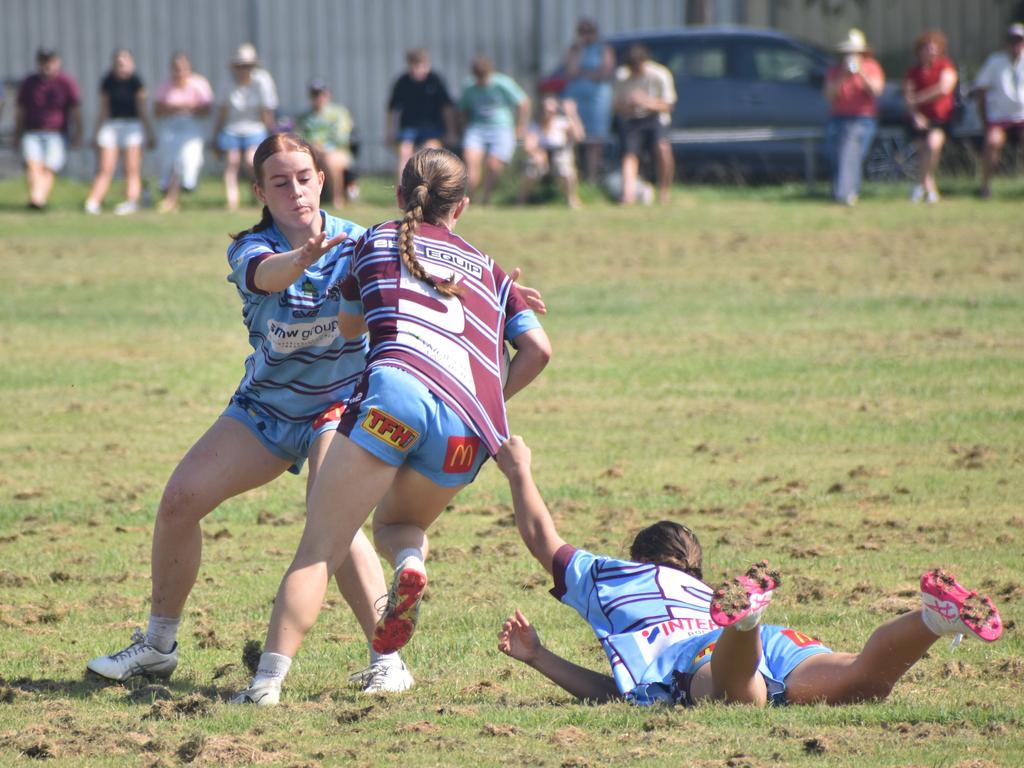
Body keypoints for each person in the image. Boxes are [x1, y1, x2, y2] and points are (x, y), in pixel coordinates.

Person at [87, 134, 413, 694]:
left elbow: (420, 278)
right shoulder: (249, 248)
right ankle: (158, 646)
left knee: (332, 515)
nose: (296, 191)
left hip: (340, 405)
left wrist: (496, 296)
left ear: (321, 179)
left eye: (304, 178)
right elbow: (269, 275)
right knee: (179, 501)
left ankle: (388, 662)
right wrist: (304, 258)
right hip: (264, 408)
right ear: (260, 190)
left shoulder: (362, 241)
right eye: (280, 182)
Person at [232, 148, 552, 705]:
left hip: (396, 398)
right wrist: (487, 397)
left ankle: (266, 685)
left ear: (402, 197)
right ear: (462, 207)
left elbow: (352, 325)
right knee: (397, 526)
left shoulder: (374, 240)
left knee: (321, 543)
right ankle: (409, 563)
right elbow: (539, 350)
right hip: (468, 429)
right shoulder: (493, 270)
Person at [494, 435, 1003, 707]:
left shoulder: (614, 577)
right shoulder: (699, 591)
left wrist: (520, 468)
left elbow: (542, 537)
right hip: (775, 642)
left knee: (742, 698)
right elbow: (619, 694)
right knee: (860, 682)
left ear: (639, 557)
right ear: (696, 567)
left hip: (705, 651)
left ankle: (744, 624)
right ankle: (934, 619)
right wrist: (539, 656)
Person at [84, 49, 154, 216]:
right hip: (112, 125)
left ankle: (131, 201)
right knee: (105, 167)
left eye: (125, 63)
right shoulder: (108, 81)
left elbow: (142, 109)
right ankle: (93, 201)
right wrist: (96, 132)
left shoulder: (136, 82)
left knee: (131, 168)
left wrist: (149, 132)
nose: (122, 67)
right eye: (119, 64)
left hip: (132, 126)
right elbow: (103, 110)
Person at [212, 43, 278, 210]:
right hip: (232, 128)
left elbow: (266, 111)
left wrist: (272, 135)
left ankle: (257, 192)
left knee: (250, 161)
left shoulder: (262, 80)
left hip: (255, 127)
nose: (244, 69)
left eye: (247, 66)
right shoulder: (227, 83)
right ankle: (232, 202)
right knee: (232, 161)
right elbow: (222, 112)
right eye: (241, 66)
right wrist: (215, 135)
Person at [14, 48, 81, 210]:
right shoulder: (29, 82)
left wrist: (78, 132)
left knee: (48, 167)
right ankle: (38, 199)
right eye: (44, 62)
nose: (47, 66)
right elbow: (20, 110)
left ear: (58, 62)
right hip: (32, 131)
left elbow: (75, 109)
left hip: (56, 133)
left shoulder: (65, 82)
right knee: (33, 166)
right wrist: (17, 132)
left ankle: (37, 198)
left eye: (51, 61)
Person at [824, 29, 885, 206]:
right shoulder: (835, 70)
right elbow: (829, 95)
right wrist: (843, 75)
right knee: (837, 154)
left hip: (862, 119)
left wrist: (861, 74)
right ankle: (846, 191)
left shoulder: (871, 67)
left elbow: (877, 91)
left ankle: (844, 193)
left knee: (849, 150)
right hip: (838, 118)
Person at [459, 56, 530, 205]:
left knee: (493, 165)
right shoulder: (469, 86)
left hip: (501, 128)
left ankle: (486, 198)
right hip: (477, 128)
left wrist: (520, 127)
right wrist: (464, 127)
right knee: (471, 165)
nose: (481, 80)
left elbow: (523, 103)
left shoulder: (502, 83)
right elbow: (462, 108)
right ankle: (468, 200)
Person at [612, 44, 676, 205]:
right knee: (629, 156)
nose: (634, 71)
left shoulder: (659, 75)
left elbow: (668, 105)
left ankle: (664, 191)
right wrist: (629, 106)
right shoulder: (622, 77)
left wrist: (646, 102)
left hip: (656, 118)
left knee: (662, 148)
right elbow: (616, 107)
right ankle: (628, 195)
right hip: (632, 119)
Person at [153, 52, 213, 213]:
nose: (179, 72)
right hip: (171, 126)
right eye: (176, 68)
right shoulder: (166, 86)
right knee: (168, 161)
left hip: (192, 127)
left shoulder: (199, 84)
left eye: (182, 68)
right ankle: (171, 198)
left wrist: (190, 108)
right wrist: (174, 108)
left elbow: (207, 109)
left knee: (185, 160)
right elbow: (157, 110)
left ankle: (172, 199)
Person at [386, 49, 457, 184]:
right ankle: (402, 191)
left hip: (432, 128)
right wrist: (389, 132)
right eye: (415, 66)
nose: (419, 70)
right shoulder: (402, 82)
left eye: (422, 66)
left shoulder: (435, 80)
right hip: (409, 127)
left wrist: (451, 131)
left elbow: (447, 107)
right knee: (404, 151)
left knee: (430, 151)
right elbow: (391, 109)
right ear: (409, 65)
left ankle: (431, 190)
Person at [903, 31, 958, 204]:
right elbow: (908, 97)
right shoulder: (913, 72)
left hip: (939, 118)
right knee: (923, 155)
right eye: (928, 49)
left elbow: (944, 88)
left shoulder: (945, 66)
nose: (932, 52)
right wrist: (916, 115)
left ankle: (920, 185)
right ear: (920, 51)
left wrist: (919, 98)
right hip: (919, 119)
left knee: (932, 146)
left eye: (935, 49)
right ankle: (929, 190)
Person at [971, 23, 1024, 199]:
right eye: (1012, 41)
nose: (1016, 45)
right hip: (1000, 118)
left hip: (1021, 117)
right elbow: (981, 89)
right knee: (992, 142)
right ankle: (986, 187)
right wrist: (984, 118)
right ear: (1006, 43)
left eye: (1019, 41)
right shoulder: (995, 61)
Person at [562, 18, 614, 183]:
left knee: (594, 138)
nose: (586, 35)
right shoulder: (575, 50)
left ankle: (592, 177)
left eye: (589, 32)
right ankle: (572, 177)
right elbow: (571, 71)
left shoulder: (604, 49)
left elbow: (604, 72)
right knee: (572, 134)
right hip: (576, 96)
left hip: (597, 98)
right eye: (582, 32)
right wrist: (579, 51)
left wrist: (585, 74)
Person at [296, 79, 355, 210]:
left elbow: (341, 137)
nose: (318, 98)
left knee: (330, 160)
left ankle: (337, 199)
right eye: (315, 95)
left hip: (337, 151)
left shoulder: (339, 113)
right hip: (312, 152)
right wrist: (313, 148)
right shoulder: (304, 118)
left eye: (321, 94)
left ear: (328, 95)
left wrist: (324, 148)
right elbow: (299, 138)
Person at [518, 95, 584, 208]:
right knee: (530, 171)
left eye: (550, 111)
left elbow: (579, 137)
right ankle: (521, 201)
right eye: (544, 111)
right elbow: (528, 145)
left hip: (560, 155)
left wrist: (572, 114)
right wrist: (537, 154)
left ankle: (571, 199)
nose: (547, 114)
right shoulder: (535, 126)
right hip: (542, 155)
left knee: (566, 171)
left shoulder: (562, 123)